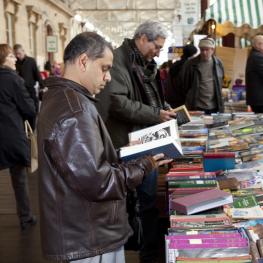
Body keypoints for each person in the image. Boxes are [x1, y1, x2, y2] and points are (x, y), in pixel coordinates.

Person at [37, 32, 171, 263]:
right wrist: (145, 163)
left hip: (81, 232)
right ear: (83, 61)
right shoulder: (74, 111)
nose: (108, 78)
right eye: (104, 68)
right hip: (89, 238)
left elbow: (85, 163)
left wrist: (125, 151)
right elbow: (99, 183)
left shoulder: (63, 99)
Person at [96, 20, 176, 263]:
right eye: (157, 46)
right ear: (142, 38)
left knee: (147, 202)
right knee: (140, 202)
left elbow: (147, 95)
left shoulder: (143, 63)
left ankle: (147, 250)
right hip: (129, 142)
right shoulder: (120, 61)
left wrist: (163, 108)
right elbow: (118, 102)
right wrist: (155, 114)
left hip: (144, 138)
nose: (159, 52)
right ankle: (140, 248)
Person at [0, 44, 37, 230]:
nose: (15, 59)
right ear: (3, 59)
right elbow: (29, 108)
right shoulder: (14, 80)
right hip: (12, 135)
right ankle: (25, 217)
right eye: (11, 56)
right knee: (19, 179)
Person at [183, 37, 225, 114]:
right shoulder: (191, 64)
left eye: (207, 49)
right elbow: (185, 85)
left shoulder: (218, 64)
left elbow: (221, 83)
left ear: (212, 50)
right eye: (202, 50)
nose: (204, 52)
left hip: (214, 106)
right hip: (197, 106)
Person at [13, 44, 44, 129]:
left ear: (23, 51)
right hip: (19, 92)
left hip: (30, 91)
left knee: (33, 112)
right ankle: (24, 132)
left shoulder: (31, 61)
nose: (17, 56)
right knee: (22, 113)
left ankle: (32, 132)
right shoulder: (15, 63)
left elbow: (37, 75)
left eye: (19, 53)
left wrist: (42, 86)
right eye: (16, 54)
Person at [165, 44, 198, 108]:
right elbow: (187, 86)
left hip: (171, 99)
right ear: (191, 55)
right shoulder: (189, 66)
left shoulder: (175, 64)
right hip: (183, 101)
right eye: (194, 55)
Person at [246, 34, 263, 113]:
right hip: (260, 100)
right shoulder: (258, 57)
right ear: (258, 45)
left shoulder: (254, 55)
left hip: (256, 100)